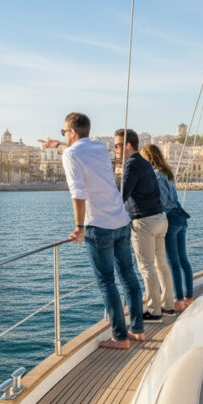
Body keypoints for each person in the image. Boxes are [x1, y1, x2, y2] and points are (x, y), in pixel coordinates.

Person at [61, 113, 144, 349]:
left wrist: (79, 228)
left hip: (99, 225)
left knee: (107, 282)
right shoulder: (98, 147)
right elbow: (82, 153)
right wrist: (57, 144)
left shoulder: (70, 154)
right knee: (128, 276)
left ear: (73, 133)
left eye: (64, 132)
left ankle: (120, 337)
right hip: (121, 220)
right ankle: (137, 330)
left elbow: (78, 193)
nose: (64, 136)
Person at [115, 128, 174, 320]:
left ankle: (153, 310)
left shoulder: (131, 165)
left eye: (117, 145)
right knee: (161, 264)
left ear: (128, 145)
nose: (115, 149)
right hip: (160, 219)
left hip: (144, 222)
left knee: (146, 267)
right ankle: (167, 305)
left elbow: (121, 195)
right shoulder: (146, 164)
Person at [140, 144, 194, 312]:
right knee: (183, 260)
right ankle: (189, 297)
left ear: (148, 158)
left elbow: (162, 202)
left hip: (169, 219)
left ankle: (178, 301)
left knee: (173, 262)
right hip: (181, 218)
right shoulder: (168, 173)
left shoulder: (155, 175)